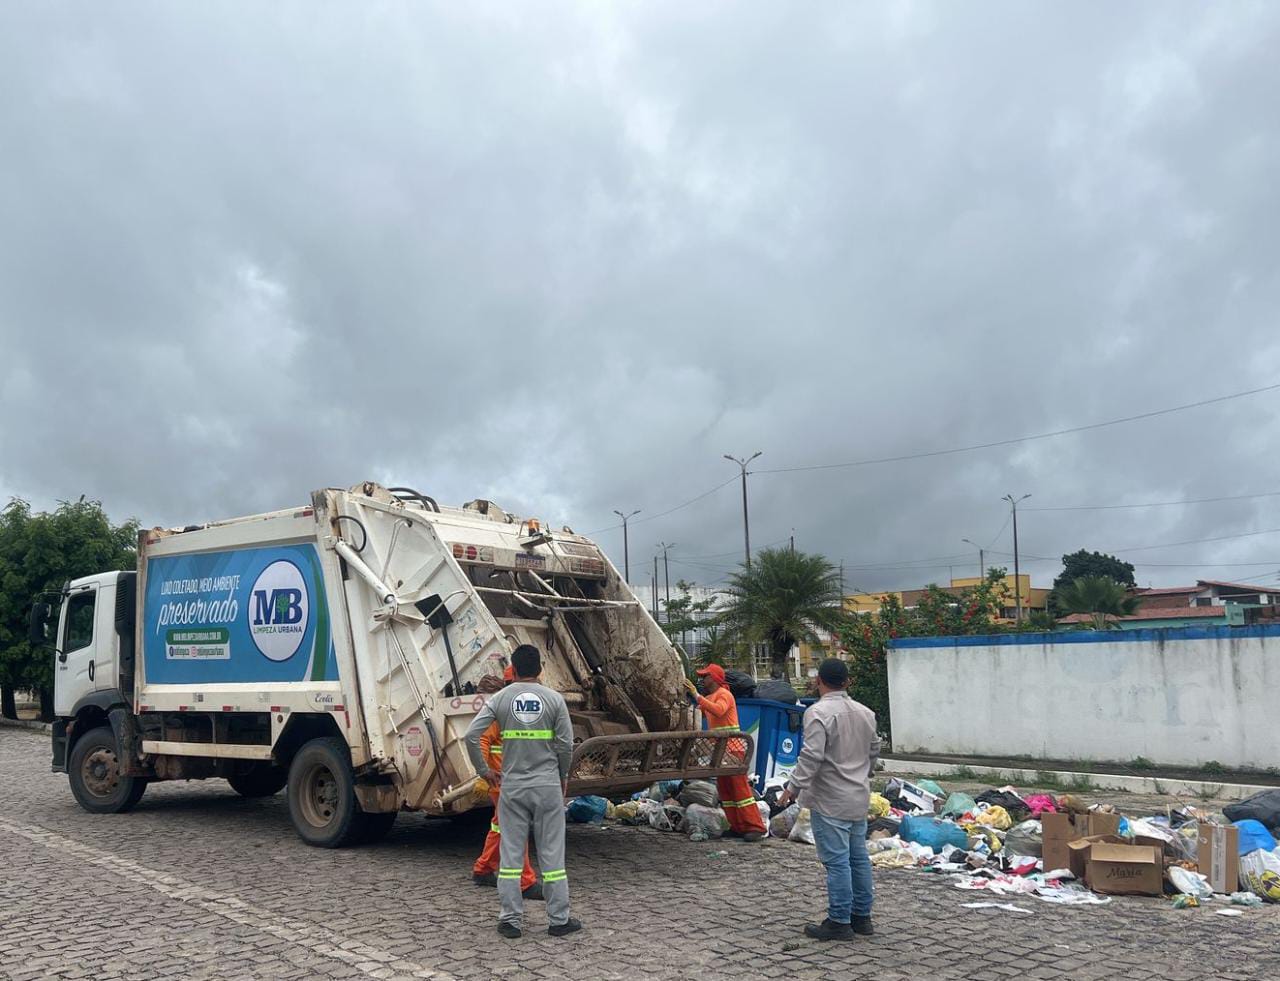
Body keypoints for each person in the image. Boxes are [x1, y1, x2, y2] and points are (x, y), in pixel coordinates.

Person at [465, 644, 581, 939]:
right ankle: (558, 920)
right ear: (541, 669)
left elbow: (471, 735)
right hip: (546, 787)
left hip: (512, 788)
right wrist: (562, 775)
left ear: (513, 670)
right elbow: (566, 745)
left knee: (511, 855)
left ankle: (510, 921)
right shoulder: (555, 700)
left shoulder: (500, 699)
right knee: (552, 857)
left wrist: (484, 771)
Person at [777, 657, 879, 941]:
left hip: (830, 799)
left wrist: (793, 788)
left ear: (819, 681)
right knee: (858, 859)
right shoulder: (866, 713)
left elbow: (812, 756)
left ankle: (839, 921)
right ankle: (862, 918)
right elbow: (874, 752)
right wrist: (862, 774)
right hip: (858, 797)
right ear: (848, 682)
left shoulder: (818, 713)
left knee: (837, 863)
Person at [471, 665, 540, 899]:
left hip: (511, 780)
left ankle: (483, 868)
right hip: (503, 781)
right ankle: (525, 882)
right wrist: (485, 771)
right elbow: (481, 739)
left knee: (500, 826)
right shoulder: (501, 708)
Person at [682, 663, 766, 842]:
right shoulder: (711, 696)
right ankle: (737, 827)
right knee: (726, 791)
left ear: (715, 678)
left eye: (705, 676)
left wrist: (697, 696)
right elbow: (698, 713)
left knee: (740, 790)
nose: (702, 680)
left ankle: (755, 828)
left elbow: (718, 711)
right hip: (720, 751)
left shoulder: (724, 695)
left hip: (732, 749)